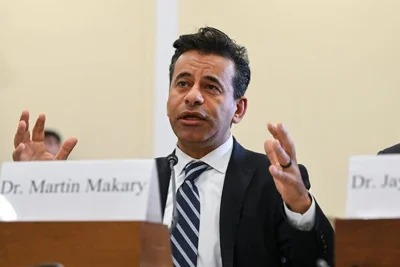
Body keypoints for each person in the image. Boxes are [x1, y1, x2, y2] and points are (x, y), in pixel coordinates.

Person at [12, 27, 334, 267]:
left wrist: (300, 207)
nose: (192, 96)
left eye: (210, 87)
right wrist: (42, 192)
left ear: (238, 109)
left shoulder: (271, 180)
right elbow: (72, 254)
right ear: (168, 99)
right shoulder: (133, 182)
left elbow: (318, 260)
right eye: (182, 83)